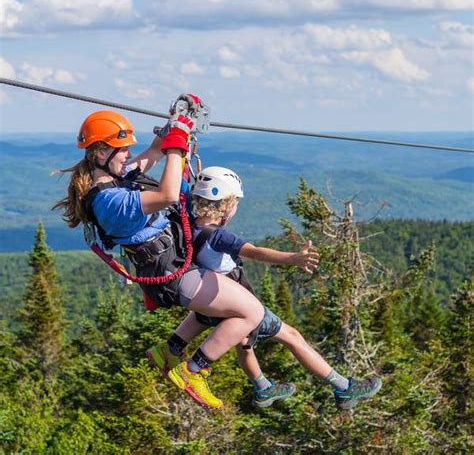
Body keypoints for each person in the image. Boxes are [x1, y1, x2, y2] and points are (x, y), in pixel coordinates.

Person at [53, 98, 269, 410]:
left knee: (227, 306)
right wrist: (177, 143)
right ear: (101, 152)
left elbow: (154, 153)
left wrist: (175, 125)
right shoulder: (111, 202)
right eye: (122, 148)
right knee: (251, 312)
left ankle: (171, 350)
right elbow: (168, 193)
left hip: (175, 262)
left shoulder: (117, 176)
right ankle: (194, 371)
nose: (128, 154)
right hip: (173, 274)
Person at [147, 166, 382, 410]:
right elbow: (255, 252)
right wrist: (292, 258)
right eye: (235, 202)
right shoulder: (219, 237)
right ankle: (344, 387)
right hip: (233, 299)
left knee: (243, 342)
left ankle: (259, 386)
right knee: (292, 337)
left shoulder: (188, 224)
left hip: (215, 301)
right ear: (226, 205)